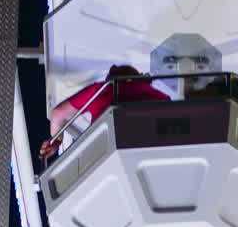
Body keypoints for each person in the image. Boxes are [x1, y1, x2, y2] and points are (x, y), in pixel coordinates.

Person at [39, 64, 170, 162]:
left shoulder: (103, 90)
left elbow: (57, 114)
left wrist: (57, 141)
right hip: (153, 151)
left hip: (107, 153)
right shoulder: (161, 97)